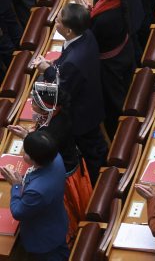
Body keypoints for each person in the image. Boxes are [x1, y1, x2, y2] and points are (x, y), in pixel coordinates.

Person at [8, 82, 92, 244]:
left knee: (66, 209)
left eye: (34, 103)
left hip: (67, 172)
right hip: (67, 158)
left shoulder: (54, 131)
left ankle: (72, 235)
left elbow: (44, 150)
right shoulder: (57, 114)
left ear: (46, 108)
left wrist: (28, 138)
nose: (31, 105)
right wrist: (27, 135)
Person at [35, 4, 108, 183]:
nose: (55, 21)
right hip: (91, 98)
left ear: (68, 30)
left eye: (59, 21)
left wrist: (47, 71)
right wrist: (53, 67)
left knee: (92, 151)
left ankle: (99, 182)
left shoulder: (73, 62)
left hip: (82, 114)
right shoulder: (86, 34)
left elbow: (64, 92)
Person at [74, 0, 134, 138]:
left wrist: (84, 15)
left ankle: (119, 136)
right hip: (123, 50)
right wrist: (89, 10)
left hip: (110, 65)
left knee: (113, 102)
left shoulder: (106, 19)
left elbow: (90, 39)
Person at [1, 132, 69, 259]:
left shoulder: (37, 191)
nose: (23, 153)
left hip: (44, 239)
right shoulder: (56, 158)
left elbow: (18, 212)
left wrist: (16, 185)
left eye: (26, 151)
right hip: (56, 221)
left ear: (31, 158)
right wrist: (28, 137)